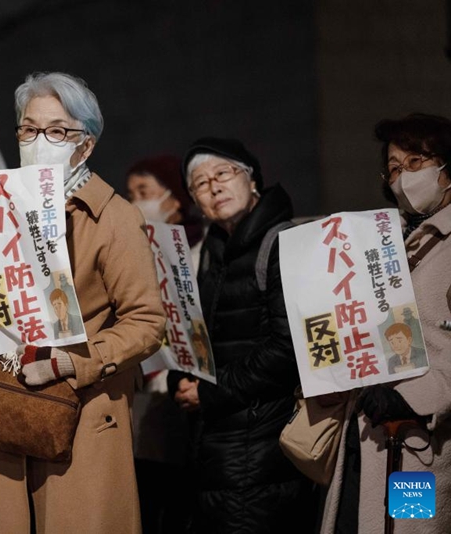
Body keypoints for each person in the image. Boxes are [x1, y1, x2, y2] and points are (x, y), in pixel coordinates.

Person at [0, 71, 166, 534]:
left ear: (86, 145)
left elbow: (146, 321)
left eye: (57, 131)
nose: (40, 141)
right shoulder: (2, 210)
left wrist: (73, 364)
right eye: (29, 129)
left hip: (85, 413)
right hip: (10, 412)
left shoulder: (114, 217)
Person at [168, 137, 316, 533]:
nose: (213, 186)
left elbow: (289, 350)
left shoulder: (283, 242)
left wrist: (209, 393)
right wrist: (180, 378)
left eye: (223, 173)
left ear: (252, 181)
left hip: (265, 445)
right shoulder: (210, 253)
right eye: (200, 183)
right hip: (215, 448)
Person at [322, 112, 451, 534]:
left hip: (420, 441)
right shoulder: (383, 245)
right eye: (394, 167)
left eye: (416, 162)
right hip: (367, 435)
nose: (403, 176)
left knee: (407, 528)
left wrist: (420, 396)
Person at [124, 153, 202, 533]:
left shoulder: (204, 249)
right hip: (148, 400)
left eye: (145, 191)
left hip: (192, 395)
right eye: (131, 193)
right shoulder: (134, 253)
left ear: (175, 196)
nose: (137, 201)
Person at [126, 153, 205, 268]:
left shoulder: (204, 249)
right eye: (131, 197)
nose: (134, 204)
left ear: (176, 200)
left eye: (144, 193)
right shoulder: (130, 249)